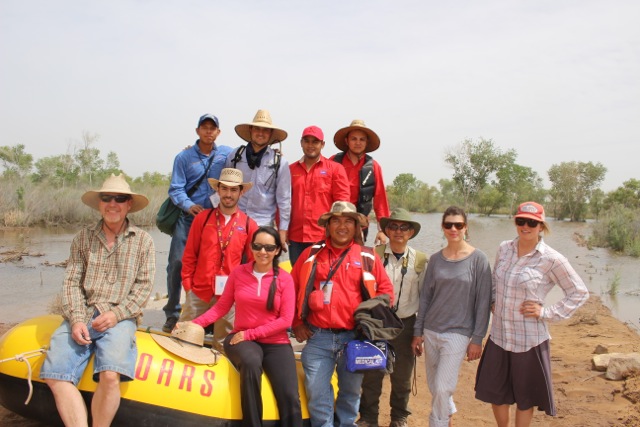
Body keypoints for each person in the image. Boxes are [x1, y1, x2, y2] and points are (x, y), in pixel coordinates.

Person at [40, 174, 156, 427]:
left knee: (111, 375)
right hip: (84, 312)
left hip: (120, 317)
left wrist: (116, 314)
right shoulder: (83, 238)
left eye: (120, 198)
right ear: (99, 203)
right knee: (56, 375)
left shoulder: (144, 242)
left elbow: (143, 288)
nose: (112, 203)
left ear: (128, 205)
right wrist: (77, 319)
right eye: (106, 198)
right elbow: (71, 282)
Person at [475, 201, 589, 427]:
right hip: (499, 335)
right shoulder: (504, 248)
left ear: (541, 226)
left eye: (532, 222)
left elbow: (579, 292)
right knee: (497, 392)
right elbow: (496, 281)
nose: (525, 226)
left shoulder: (552, 259)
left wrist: (546, 312)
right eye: (520, 221)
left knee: (525, 398)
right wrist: (495, 300)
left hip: (529, 340)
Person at [185, 226, 302, 427]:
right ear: (251, 247)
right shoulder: (239, 273)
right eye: (257, 246)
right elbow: (221, 307)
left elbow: (286, 320)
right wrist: (194, 324)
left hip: (275, 342)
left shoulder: (284, 279)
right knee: (250, 362)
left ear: (276, 251)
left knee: (290, 394)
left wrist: (251, 333)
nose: (262, 252)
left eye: (268, 247)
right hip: (241, 340)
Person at [291, 201, 394, 427]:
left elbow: (386, 292)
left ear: (357, 227)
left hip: (354, 339)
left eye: (348, 221)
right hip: (318, 337)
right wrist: (296, 322)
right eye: (336, 220)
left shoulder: (368, 257)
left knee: (350, 395)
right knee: (317, 394)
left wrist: (371, 320)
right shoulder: (311, 255)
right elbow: (291, 288)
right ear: (327, 226)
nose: (342, 226)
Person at [410, 206, 492, 427]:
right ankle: (449, 408)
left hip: (459, 332)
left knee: (443, 387)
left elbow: (483, 302)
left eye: (458, 225)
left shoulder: (479, 260)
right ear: (443, 228)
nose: (453, 229)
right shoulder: (435, 259)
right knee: (434, 385)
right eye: (448, 225)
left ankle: (438, 423)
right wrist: (418, 332)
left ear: (466, 227)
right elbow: (426, 298)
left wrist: (477, 338)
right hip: (431, 329)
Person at [357, 208, 428, 427]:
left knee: (402, 375)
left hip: (406, 323)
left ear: (411, 232)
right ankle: (369, 417)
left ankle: (399, 417)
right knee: (371, 373)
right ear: (386, 230)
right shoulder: (372, 254)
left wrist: (420, 332)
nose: (398, 231)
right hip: (377, 322)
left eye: (404, 227)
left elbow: (425, 299)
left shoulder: (420, 260)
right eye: (394, 227)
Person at [164, 114, 232, 333]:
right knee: (177, 264)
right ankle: (173, 313)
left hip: (214, 220)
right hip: (189, 218)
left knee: (213, 266)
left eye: (213, 128)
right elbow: (176, 187)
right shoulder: (183, 157)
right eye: (205, 127)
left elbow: (248, 154)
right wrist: (188, 205)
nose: (209, 131)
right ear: (197, 131)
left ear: (218, 132)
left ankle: (210, 315)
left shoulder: (226, 154)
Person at [179, 168, 259, 342]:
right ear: (218, 190)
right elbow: (189, 255)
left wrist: (242, 294)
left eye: (233, 189)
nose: (228, 194)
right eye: (224, 189)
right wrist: (188, 287)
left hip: (229, 297)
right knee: (183, 337)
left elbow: (254, 264)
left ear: (241, 192)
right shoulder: (202, 219)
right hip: (198, 292)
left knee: (224, 345)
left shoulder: (248, 224)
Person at [226, 109, 291, 252]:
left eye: (265, 130)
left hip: (263, 224)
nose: (260, 133)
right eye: (257, 128)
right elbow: (224, 189)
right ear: (250, 130)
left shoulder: (280, 162)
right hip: (235, 221)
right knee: (232, 267)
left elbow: (284, 200)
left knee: (261, 268)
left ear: (271, 134)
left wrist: (282, 232)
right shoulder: (235, 156)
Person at [288, 125, 350, 266]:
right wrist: (283, 229)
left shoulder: (335, 169)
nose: (310, 145)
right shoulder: (290, 170)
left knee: (322, 280)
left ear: (322, 144)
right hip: (295, 237)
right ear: (301, 143)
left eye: (315, 142)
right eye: (307, 141)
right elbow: (284, 202)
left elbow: (342, 205)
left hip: (323, 236)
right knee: (299, 280)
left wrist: (339, 233)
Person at [331, 120, 390, 245]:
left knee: (356, 258)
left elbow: (380, 200)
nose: (358, 142)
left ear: (367, 142)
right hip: (334, 223)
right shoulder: (333, 162)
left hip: (360, 224)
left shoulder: (373, 167)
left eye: (362, 139)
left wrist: (382, 230)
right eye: (354, 139)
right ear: (347, 141)